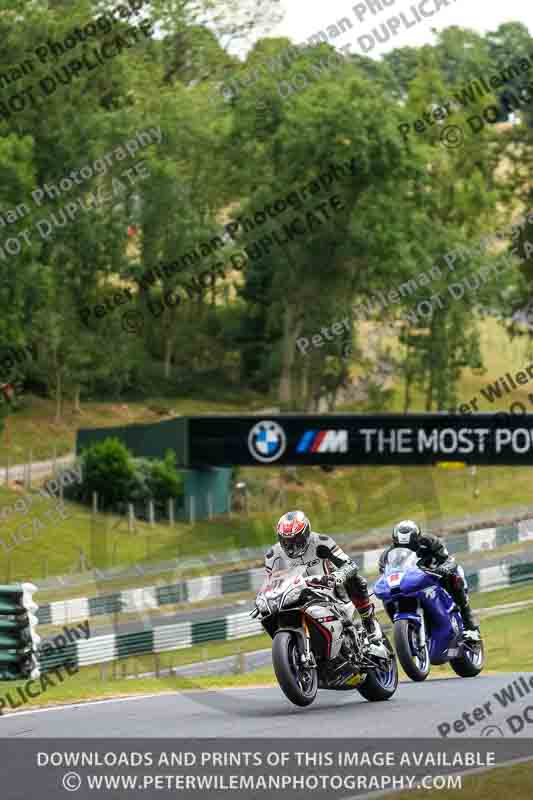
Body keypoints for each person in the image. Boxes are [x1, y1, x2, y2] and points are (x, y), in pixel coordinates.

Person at [264, 510, 383, 642]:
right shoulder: (273, 555)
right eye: (286, 542)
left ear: (306, 533)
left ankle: (369, 621)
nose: (292, 546)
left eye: (296, 539)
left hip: (330, 590)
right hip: (297, 596)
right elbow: (271, 584)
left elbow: (350, 565)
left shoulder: (321, 541)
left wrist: (337, 576)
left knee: (356, 580)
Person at [378, 519, 480, 640]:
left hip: (433, 577)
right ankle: (403, 627)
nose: (406, 548)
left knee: (454, 575)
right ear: (395, 542)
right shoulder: (387, 555)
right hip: (407, 583)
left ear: (417, 538)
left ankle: (468, 619)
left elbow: (448, 560)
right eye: (401, 545)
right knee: (387, 596)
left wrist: (443, 568)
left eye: (410, 545)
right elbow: (385, 574)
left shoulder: (430, 541)